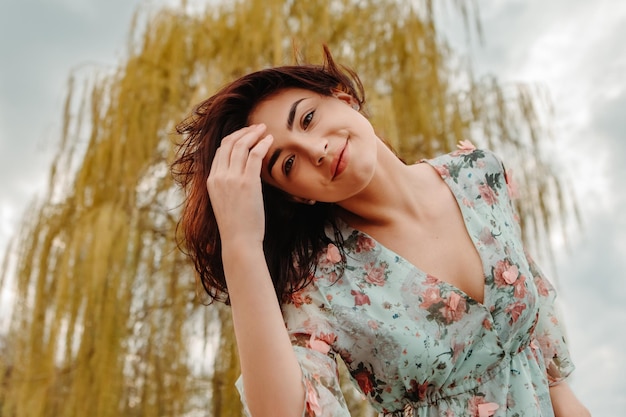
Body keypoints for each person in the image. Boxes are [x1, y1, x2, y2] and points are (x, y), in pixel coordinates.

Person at [171, 46, 590, 417]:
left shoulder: (478, 175)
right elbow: (283, 412)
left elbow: (541, 346)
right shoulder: (319, 284)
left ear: (344, 97)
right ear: (297, 197)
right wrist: (240, 242)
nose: (315, 150)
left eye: (309, 118)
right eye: (287, 164)